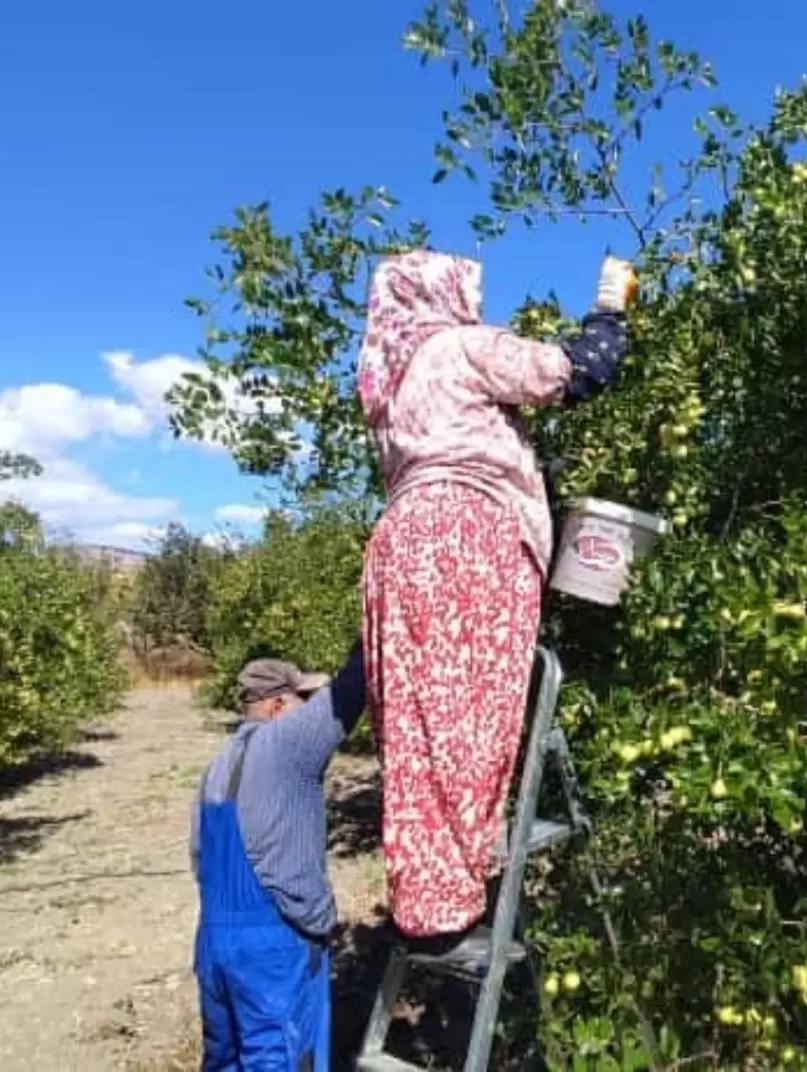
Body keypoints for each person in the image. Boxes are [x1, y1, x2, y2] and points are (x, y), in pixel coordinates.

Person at [357, 249, 636, 944]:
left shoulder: (389, 383)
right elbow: (576, 373)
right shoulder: (459, 348)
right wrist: (611, 311)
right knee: (476, 719)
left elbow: (473, 439)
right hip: (467, 539)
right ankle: (452, 907)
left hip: (401, 544)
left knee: (420, 729)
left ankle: (425, 903)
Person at [190, 645, 365, 1072]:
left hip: (214, 944)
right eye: (302, 702)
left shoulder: (215, 768)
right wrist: (383, 613)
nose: (307, 711)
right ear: (278, 704)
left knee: (224, 1060)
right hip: (274, 945)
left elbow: (199, 857)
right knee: (281, 1058)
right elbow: (350, 690)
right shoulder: (285, 743)